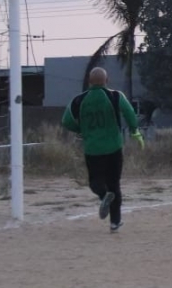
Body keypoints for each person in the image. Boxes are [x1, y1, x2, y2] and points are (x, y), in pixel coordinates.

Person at [61, 66, 143, 232]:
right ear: (107, 80)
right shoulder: (115, 96)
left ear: (90, 82)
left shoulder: (79, 100)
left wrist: (81, 129)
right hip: (114, 147)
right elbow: (130, 113)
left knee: (95, 182)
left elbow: (66, 120)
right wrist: (134, 130)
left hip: (93, 149)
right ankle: (115, 222)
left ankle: (103, 195)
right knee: (115, 184)